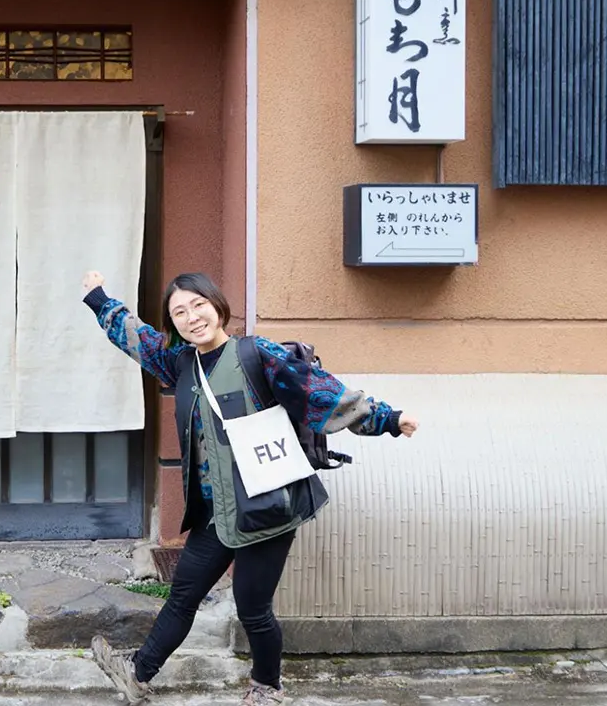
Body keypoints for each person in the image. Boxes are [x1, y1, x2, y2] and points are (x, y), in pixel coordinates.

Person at [81, 270, 418, 706]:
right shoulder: (180, 362)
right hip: (215, 509)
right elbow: (140, 341)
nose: (191, 317)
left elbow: (318, 391)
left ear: (217, 306)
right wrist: (100, 301)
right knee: (183, 595)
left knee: (252, 608)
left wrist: (387, 419)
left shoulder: (255, 353)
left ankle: (268, 688)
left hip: (267, 504)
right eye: (179, 312)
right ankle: (138, 674)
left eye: (198, 305)